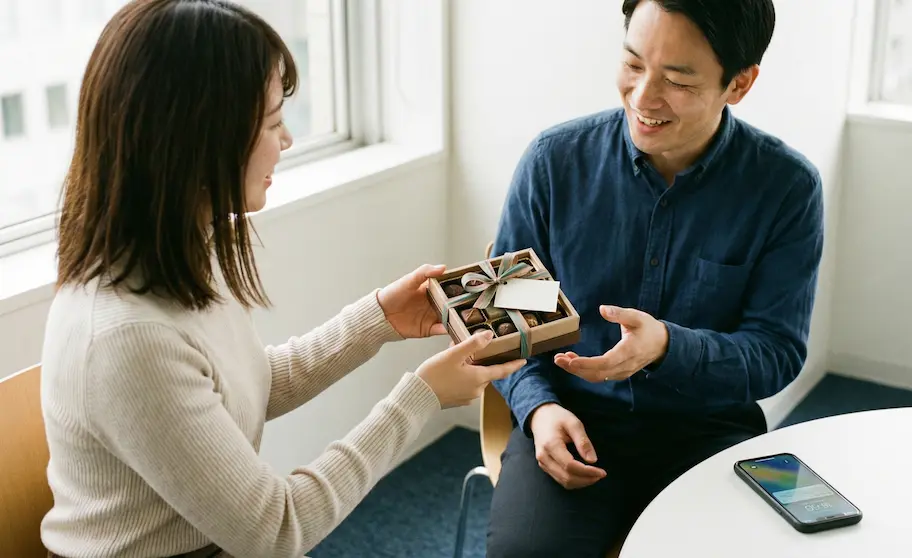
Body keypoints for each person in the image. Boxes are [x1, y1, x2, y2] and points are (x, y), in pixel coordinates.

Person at [38, 1, 524, 557]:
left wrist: (378, 320)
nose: (287, 140)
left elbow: (247, 384)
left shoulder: (171, 256)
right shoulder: (126, 335)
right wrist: (421, 397)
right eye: (272, 122)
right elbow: (276, 531)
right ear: (199, 139)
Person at [486, 0, 824, 556]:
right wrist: (538, 408)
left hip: (707, 432)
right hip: (571, 417)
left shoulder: (786, 191)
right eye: (633, 63)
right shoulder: (553, 162)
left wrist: (668, 346)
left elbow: (777, 352)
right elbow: (505, 323)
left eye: (678, 80)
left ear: (739, 84)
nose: (643, 98)